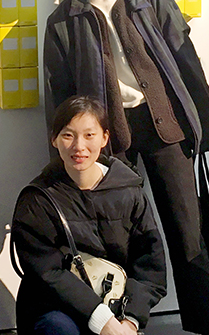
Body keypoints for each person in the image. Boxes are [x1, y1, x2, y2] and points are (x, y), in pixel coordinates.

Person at [42, 0, 209, 335]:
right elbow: (60, 93)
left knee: (186, 231)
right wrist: (71, 150)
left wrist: (205, 124)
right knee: (119, 239)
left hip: (164, 128)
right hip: (109, 138)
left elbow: (187, 63)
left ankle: (206, 324)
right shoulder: (63, 20)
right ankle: (121, 324)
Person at [11, 96, 166, 335]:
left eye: (89, 135)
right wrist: (104, 321)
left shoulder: (130, 191)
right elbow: (47, 273)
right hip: (55, 309)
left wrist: (130, 321)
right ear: (54, 139)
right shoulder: (37, 200)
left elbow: (149, 264)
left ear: (105, 138)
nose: (79, 146)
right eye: (68, 135)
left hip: (117, 306)